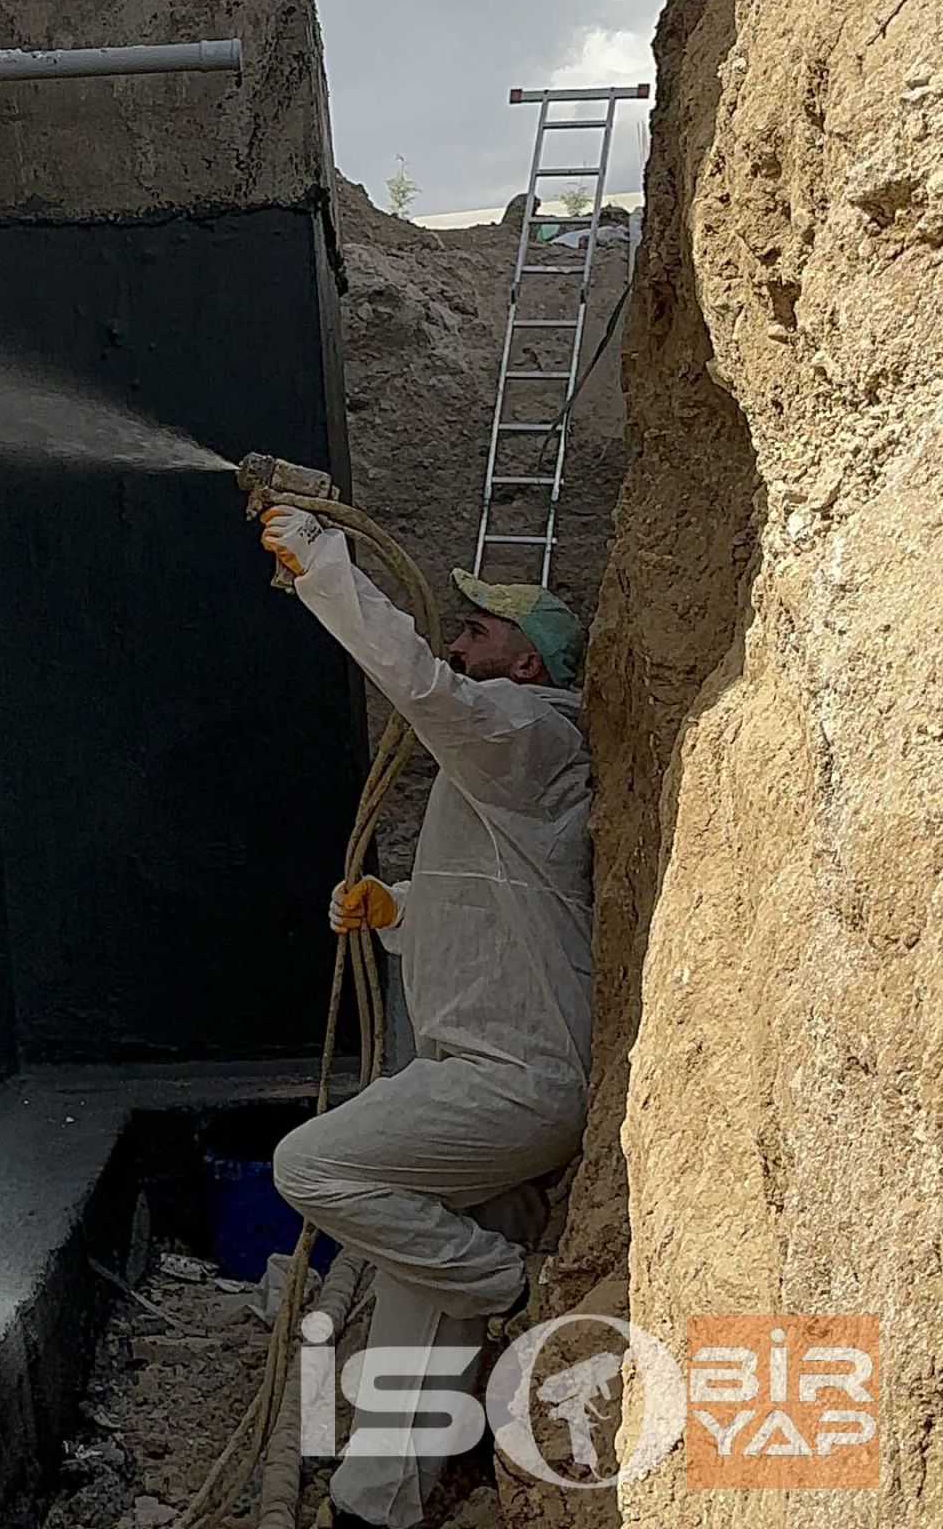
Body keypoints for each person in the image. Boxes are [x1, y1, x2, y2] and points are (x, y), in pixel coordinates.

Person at [256, 505, 594, 1529]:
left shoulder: (530, 732)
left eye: (480, 631)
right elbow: (507, 917)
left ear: (527, 665)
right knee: (415, 1284)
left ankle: (506, 1282)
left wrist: (323, 562)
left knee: (312, 1167)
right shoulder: (505, 765)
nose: (456, 639)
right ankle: (377, 1505)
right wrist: (396, 912)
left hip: (511, 1081)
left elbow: (420, 684)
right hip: (489, 1073)